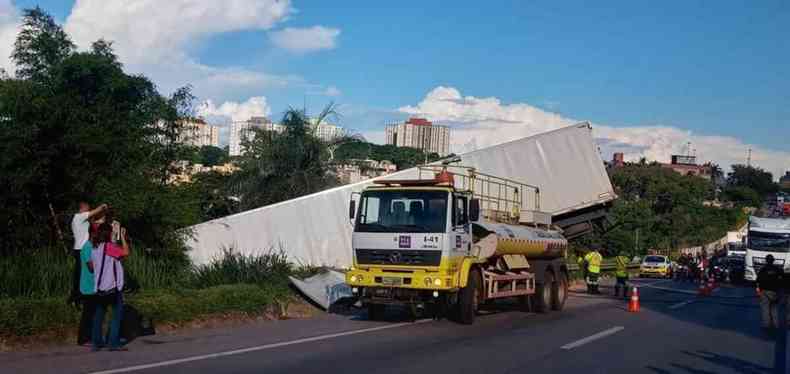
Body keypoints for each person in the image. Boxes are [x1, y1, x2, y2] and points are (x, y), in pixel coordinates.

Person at [71, 200, 107, 345]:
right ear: (83, 208)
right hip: (81, 248)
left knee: (80, 274)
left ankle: (77, 296)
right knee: (82, 275)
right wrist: (103, 206)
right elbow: (94, 214)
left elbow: (96, 221)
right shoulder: (79, 216)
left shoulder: (82, 220)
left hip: (80, 248)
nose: (89, 210)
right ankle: (77, 296)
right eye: (87, 208)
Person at [91, 222, 130, 351]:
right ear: (109, 234)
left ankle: (96, 343)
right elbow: (126, 252)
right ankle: (113, 342)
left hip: (99, 288)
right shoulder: (109, 248)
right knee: (117, 315)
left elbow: (91, 267)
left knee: (98, 316)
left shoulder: (95, 247)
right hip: (112, 287)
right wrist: (123, 237)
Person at [756, 254, 783, 329]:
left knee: (765, 308)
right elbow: (782, 280)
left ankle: (766, 325)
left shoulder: (763, 269)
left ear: (766, 261)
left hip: (764, 291)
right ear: (773, 261)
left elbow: (758, 281)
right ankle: (776, 324)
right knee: (774, 309)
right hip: (775, 292)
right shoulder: (778, 269)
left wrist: (758, 290)